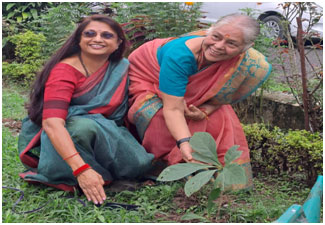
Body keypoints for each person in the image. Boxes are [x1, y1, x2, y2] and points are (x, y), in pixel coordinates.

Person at [18, 15, 154, 205]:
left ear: (117, 43)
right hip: (65, 130)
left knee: (139, 165)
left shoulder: (121, 67)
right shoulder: (64, 71)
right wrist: (81, 169)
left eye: (107, 35)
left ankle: (104, 170)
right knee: (83, 127)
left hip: (109, 131)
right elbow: (52, 123)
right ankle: (81, 174)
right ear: (79, 40)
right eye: (90, 33)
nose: (97, 39)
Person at [127, 13, 272, 190]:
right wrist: (184, 143)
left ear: (246, 48)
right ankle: (164, 167)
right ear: (208, 31)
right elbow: (172, 109)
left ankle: (216, 173)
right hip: (148, 76)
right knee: (157, 115)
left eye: (231, 43)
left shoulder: (249, 62)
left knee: (219, 117)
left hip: (179, 86)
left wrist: (208, 108)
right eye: (215, 37)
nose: (218, 46)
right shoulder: (180, 55)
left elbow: (222, 97)